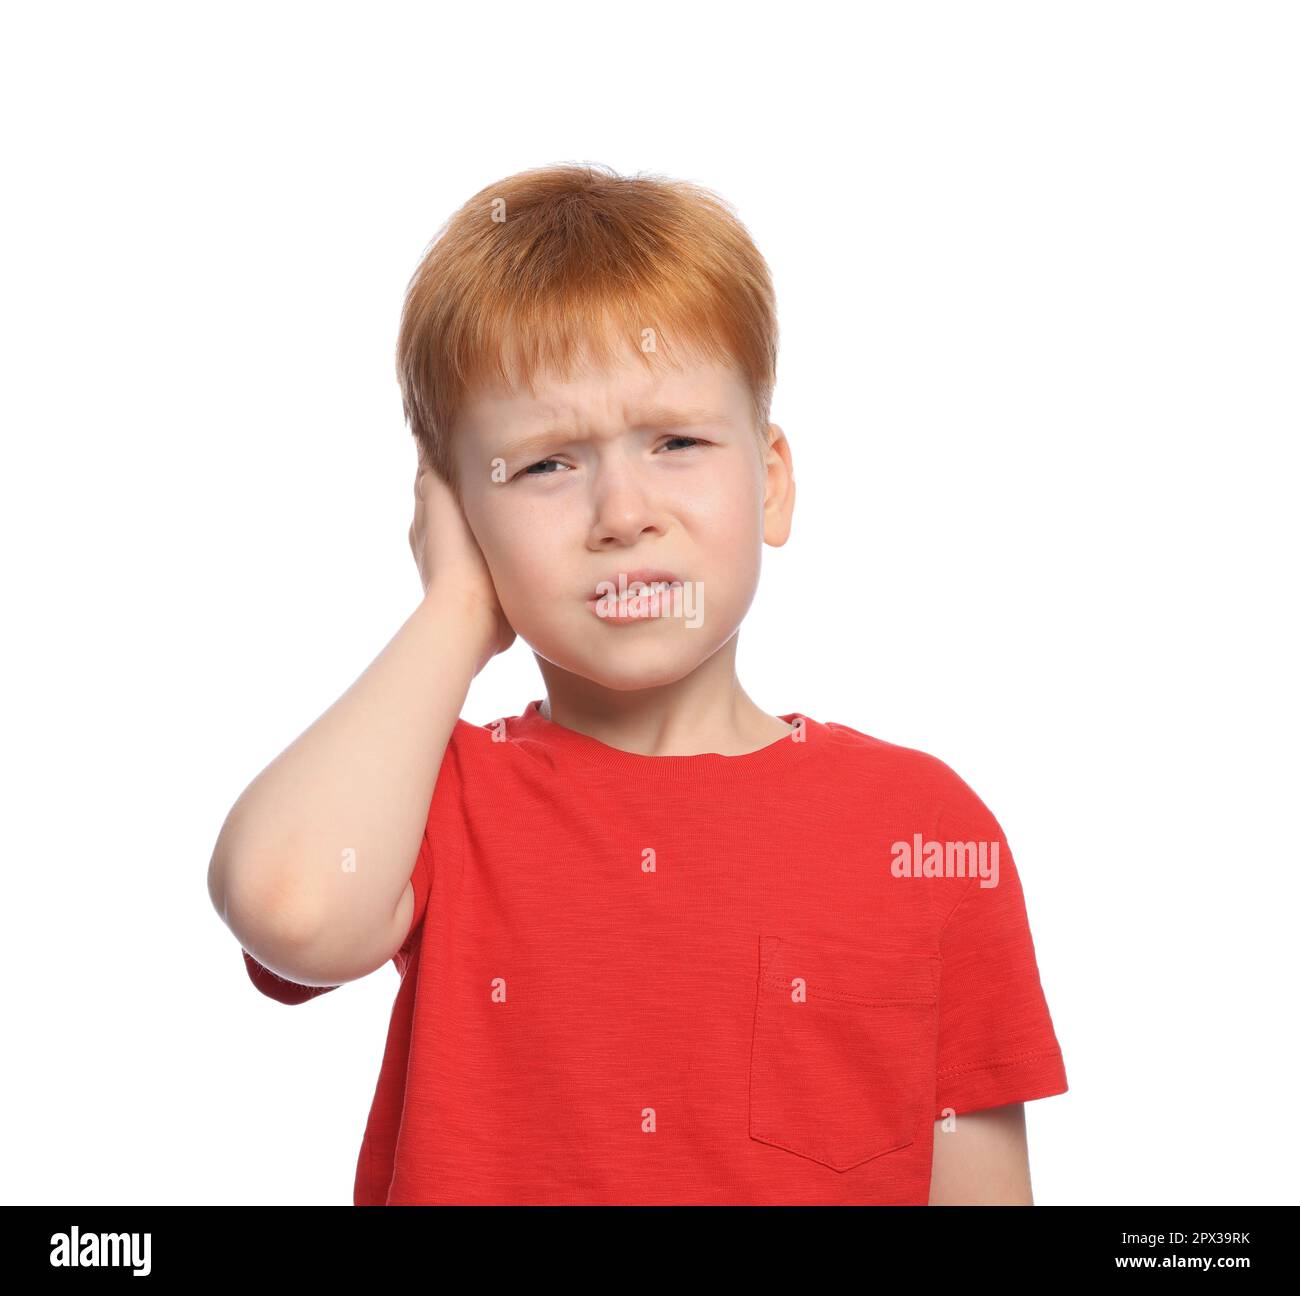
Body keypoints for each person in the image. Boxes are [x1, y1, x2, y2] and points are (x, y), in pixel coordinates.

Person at [207, 162, 1068, 1205]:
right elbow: (288, 905)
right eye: (544, 466)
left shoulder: (921, 827)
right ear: (460, 526)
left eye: (676, 442)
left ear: (771, 482)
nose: (621, 511)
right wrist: (451, 613)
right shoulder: (440, 801)